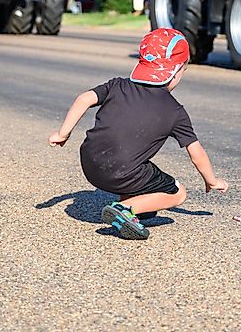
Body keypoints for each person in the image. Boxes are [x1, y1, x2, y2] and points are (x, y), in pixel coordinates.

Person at [48, 28, 228, 240]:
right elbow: (196, 154)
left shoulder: (117, 85)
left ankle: (134, 206)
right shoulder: (175, 111)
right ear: (177, 70)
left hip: (90, 164)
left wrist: (63, 133)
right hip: (122, 172)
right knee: (178, 193)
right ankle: (124, 209)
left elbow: (84, 99)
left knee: (137, 169)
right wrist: (212, 180)